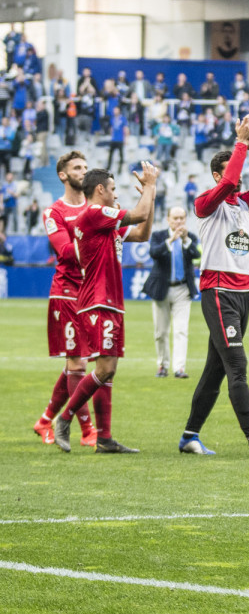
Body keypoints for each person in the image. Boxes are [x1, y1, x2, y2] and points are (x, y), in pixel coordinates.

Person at [180, 115, 249, 457]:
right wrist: (240, 144)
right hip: (219, 291)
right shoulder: (205, 203)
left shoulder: (243, 204)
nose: (238, 176)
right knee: (237, 365)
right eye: (231, 170)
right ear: (217, 175)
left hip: (242, 294)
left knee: (215, 370)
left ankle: (189, 436)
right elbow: (227, 184)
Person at [53, 162, 159, 454]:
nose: (115, 194)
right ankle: (64, 419)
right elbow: (136, 213)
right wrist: (148, 188)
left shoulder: (105, 225)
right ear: (100, 190)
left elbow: (142, 232)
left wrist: (152, 195)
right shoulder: (94, 213)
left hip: (109, 301)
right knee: (105, 368)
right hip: (98, 300)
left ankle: (105, 438)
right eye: (112, 189)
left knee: (108, 372)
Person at [32, 152, 97, 447]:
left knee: (75, 364)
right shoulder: (53, 212)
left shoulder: (95, 205)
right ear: (63, 175)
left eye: (85, 167)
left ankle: (45, 420)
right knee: (78, 365)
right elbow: (66, 253)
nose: (83, 172)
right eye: (77, 168)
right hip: (66, 293)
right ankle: (87, 431)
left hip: (90, 293)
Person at [142, 206, 200, 379]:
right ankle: (162, 365)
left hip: (183, 289)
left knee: (181, 330)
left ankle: (179, 368)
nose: (179, 221)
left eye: (182, 218)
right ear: (168, 219)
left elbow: (195, 254)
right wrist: (170, 240)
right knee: (161, 332)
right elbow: (154, 253)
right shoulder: (158, 236)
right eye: (175, 218)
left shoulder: (190, 238)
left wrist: (184, 240)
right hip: (162, 288)